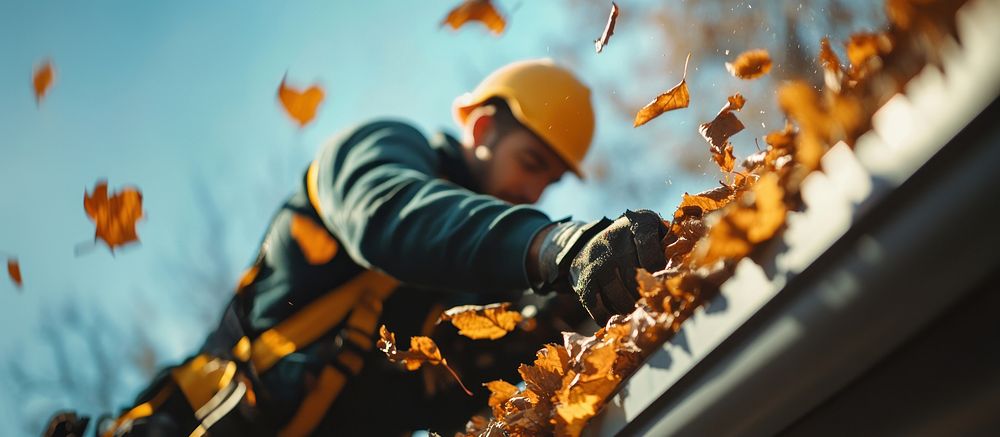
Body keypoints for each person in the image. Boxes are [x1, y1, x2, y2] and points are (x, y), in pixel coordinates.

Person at [49, 59, 668, 437]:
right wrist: (556, 245)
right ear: (482, 129)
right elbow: (392, 218)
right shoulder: (378, 154)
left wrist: (575, 316)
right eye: (529, 163)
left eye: (549, 183)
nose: (531, 191)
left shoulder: (482, 289)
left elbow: (477, 387)